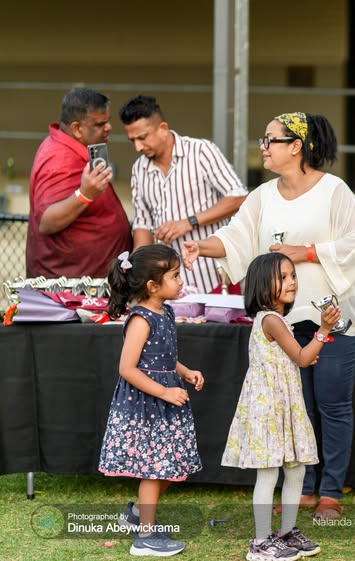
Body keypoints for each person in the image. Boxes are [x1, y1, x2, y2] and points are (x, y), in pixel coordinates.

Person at [182, 112, 355, 520]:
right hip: (288, 319)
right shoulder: (263, 195)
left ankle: (331, 492)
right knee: (299, 402)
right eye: (263, 139)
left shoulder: (334, 191)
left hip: (333, 315)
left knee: (332, 402)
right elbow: (237, 238)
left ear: (297, 146)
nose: (263, 147)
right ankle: (306, 483)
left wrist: (304, 252)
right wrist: (202, 247)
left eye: (270, 139)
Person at [223, 252, 340, 560]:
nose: (292, 282)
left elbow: (296, 357)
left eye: (293, 276)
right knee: (269, 473)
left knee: (296, 469)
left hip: (284, 404)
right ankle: (261, 543)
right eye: (283, 277)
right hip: (269, 409)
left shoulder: (279, 320)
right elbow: (302, 358)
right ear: (263, 285)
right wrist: (324, 330)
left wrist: (309, 348)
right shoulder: (271, 320)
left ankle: (286, 533)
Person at [98, 245, 204, 557]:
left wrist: (184, 372)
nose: (181, 281)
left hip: (166, 401)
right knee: (154, 470)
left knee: (169, 466)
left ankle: (136, 515)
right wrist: (164, 392)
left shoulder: (166, 312)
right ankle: (144, 538)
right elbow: (127, 368)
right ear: (152, 286)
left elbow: (165, 358)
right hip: (146, 406)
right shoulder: (140, 320)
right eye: (174, 276)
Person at [120, 95, 248, 293]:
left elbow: (238, 197)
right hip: (167, 287)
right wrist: (137, 268)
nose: (137, 147)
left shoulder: (201, 151)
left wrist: (188, 222)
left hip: (213, 278)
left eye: (142, 137)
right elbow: (142, 224)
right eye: (132, 140)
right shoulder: (138, 169)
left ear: (162, 129)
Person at [26, 87, 132, 278]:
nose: (108, 127)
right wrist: (85, 195)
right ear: (76, 128)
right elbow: (46, 221)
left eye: (108, 121)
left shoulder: (74, 149)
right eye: (100, 124)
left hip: (90, 282)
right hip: (70, 292)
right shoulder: (59, 158)